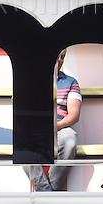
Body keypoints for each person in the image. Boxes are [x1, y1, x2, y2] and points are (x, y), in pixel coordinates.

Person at [25, 49, 82, 191]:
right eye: (57, 56)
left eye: (63, 57)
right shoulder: (30, 80)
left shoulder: (70, 82)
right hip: (36, 126)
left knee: (70, 140)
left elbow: (74, 115)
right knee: (23, 142)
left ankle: (47, 192)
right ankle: (47, 192)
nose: (60, 60)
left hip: (61, 126)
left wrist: (55, 126)